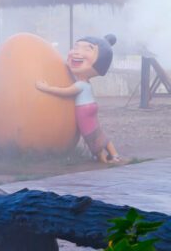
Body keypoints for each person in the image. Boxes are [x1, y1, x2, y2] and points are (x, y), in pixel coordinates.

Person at [36, 34, 120, 163]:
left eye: (87, 49)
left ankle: (103, 158)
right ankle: (114, 155)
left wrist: (46, 88)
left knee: (90, 135)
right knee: (98, 133)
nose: (77, 52)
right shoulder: (84, 83)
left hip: (84, 110)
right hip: (89, 108)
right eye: (76, 47)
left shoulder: (80, 85)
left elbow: (64, 92)